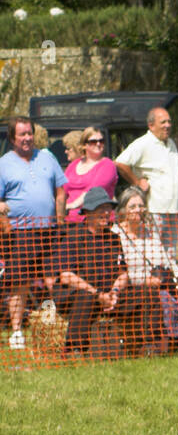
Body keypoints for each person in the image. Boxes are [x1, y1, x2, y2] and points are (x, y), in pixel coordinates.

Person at [51, 187, 163, 357]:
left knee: (147, 294)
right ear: (87, 212)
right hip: (79, 296)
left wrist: (115, 292)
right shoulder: (73, 236)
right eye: (100, 209)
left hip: (109, 295)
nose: (105, 213)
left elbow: (122, 274)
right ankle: (75, 349)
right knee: (85, 297)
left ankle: (145, 345)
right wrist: (97, 294)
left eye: (107, 209)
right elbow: (66, 276)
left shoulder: (113, 238)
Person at [1, 115, 67, 350]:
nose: (28, 138)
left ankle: (49, 326)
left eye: (30, 133)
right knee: (19, 281)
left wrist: (59, 220)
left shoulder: (47, 157)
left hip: (49, 230)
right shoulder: (4, 163)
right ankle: (17, 331)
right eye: (22, 134)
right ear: (12, 138)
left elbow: (61, 190)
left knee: (51, 280)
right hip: (19, 233)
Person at [113, 187, 178, 352]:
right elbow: (118, 270)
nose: (138, 210)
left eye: (141, 206)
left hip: (161, 281)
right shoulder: (116, 234)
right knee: (164, 299)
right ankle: (169, 342)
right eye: (132, 206)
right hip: (136, 286)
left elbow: (167, 260)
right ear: (123, 210)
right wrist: (144, 280)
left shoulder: (150, 234)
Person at [115, 107, 178, 256]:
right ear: (151, 125)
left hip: (172, 210)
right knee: (155, 253)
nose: (167, 125)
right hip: (154, 210)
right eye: (163, 122)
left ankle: (168, 279)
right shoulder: (143, 143)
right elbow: (121, 162)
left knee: (170, 253)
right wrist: (137, 182)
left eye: (169, 122)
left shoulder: (170, 143)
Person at [64, 126, 118, 224]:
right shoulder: (73, 165)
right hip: (70, 222)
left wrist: (72, 205)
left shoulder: (108, 165)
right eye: (93, 141)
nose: (98, 144)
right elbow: (62, 191)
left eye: (101, 141)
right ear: (84, 145)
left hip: (97, 224)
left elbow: (91, 191)